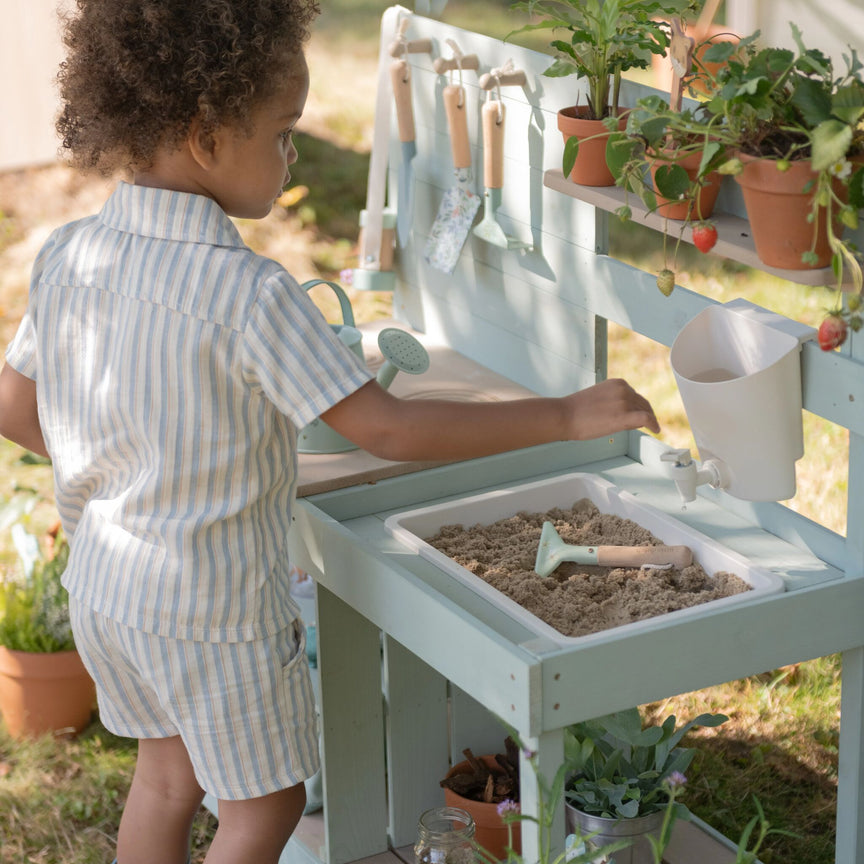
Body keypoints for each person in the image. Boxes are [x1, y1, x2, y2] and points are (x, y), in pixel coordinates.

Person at [0, 1, 660, 862]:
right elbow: (387, 428)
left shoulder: (68, 253)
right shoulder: (249, 293)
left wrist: (147, 461)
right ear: (205, 134)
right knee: (265, 808)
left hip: (109, 591)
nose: (291, 157)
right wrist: (567, 415)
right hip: (212, 613)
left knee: (165, 781)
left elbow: (17, 406)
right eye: (281, 134)